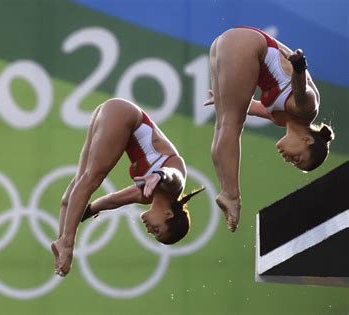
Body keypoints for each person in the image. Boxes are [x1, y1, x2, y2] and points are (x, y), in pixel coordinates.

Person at [51, 98, 204, 277]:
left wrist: (83, 213)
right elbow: (173, 175)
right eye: (156, 229)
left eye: (152, 233)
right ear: (168, 215)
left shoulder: (147, 196)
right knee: (91, 179)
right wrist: (158, 175)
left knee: (77, 188)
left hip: (111, 112)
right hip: (124, 115)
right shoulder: (173, 188)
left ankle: (61, 241)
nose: (148, 229)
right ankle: (67, 245)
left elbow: (112, 201)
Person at [205, 26, 335, 233]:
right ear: (307, 141)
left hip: (227, 43)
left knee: (223, 124)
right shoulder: (308, 109)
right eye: (297, 159)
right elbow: (302, 90)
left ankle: (226, 190)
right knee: (230, 124)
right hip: (247, 44)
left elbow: (253, 107)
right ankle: (231, 195)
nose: (288, 159)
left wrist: (223, 96)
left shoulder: (281, 119)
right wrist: (300, 67)